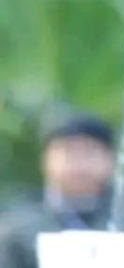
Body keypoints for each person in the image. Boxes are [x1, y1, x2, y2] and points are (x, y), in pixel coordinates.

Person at [0, 114, 115, 268]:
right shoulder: (16, 227)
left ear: (110, 159)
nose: (79, 162)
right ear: (45, 159)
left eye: (89, 151)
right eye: (68, 151)